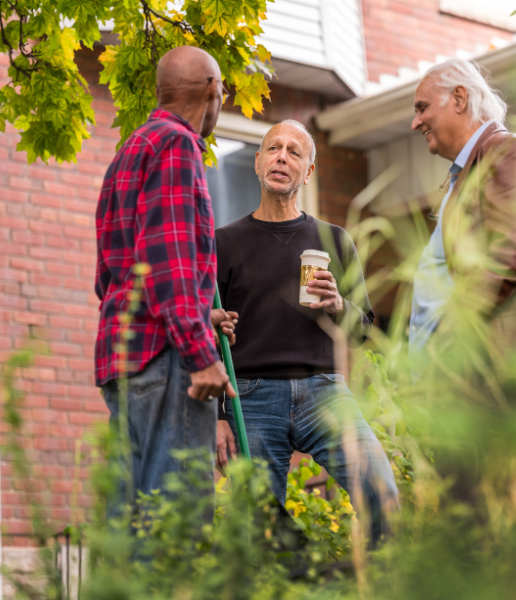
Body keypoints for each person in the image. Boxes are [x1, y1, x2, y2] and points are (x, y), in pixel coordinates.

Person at [215, 120, 399, 542]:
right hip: (251, 396)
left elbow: (361, 330)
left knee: (381, 492)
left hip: (325, 391)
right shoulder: (223, 243)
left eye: (294, 151)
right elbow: (208, 336)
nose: (282, 157)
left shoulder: (334, 240)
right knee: (256, 527)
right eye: (273, 148)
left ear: (309, 170)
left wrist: (338, 304)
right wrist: (219, 417)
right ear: (258, 161)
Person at [95, 46, 237, 513]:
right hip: (167, 362)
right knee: (175, 527)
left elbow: (111, 278)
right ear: (213, 89)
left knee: (129, 526)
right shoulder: (176, 145)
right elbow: (171, 261)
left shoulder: (128, 153)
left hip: (124, 359)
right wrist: (200, 352)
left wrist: (199, 311)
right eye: (225, 90)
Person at [409, 58, 516, 383]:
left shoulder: (505, 151)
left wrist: (448, 335)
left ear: (459, 99)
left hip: (496, 381)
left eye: (422, 108)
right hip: (465, 379)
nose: (416, 123)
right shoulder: (471, 168)